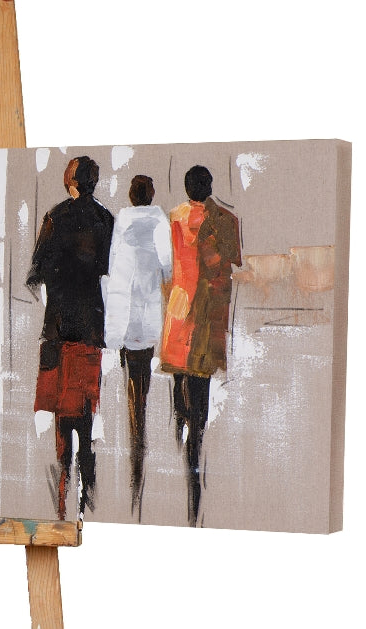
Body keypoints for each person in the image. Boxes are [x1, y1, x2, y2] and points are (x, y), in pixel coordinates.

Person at [26, 156, 113, 521]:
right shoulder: (106, 219)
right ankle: (87, 475)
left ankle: (64, 476)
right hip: (91, 322)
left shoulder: (55, 217)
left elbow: (35, 274)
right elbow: (104, 268)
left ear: (72, 181)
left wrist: (53, 287)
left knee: (63, 406)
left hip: (59, 324)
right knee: (86, 400)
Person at [160, 165, 241, 527]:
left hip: (180, 305)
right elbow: (230, 264)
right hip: (207, 310)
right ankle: (195, 445)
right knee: (201, 381)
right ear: (209, 188)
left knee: (180, 373)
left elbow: (168, 264)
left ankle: (181, 433)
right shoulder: (225, 220)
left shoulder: (174, 218)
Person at [104, 174, 171, 520]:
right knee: (141, 377)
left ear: (131, 196)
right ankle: (138, 439)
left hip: (123, 314)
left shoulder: (121, 222)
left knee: (131, 372)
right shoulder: (159, 221)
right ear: (152, 194)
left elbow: (111, 267)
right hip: (146, 313)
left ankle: (136, 434)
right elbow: (168, 266)